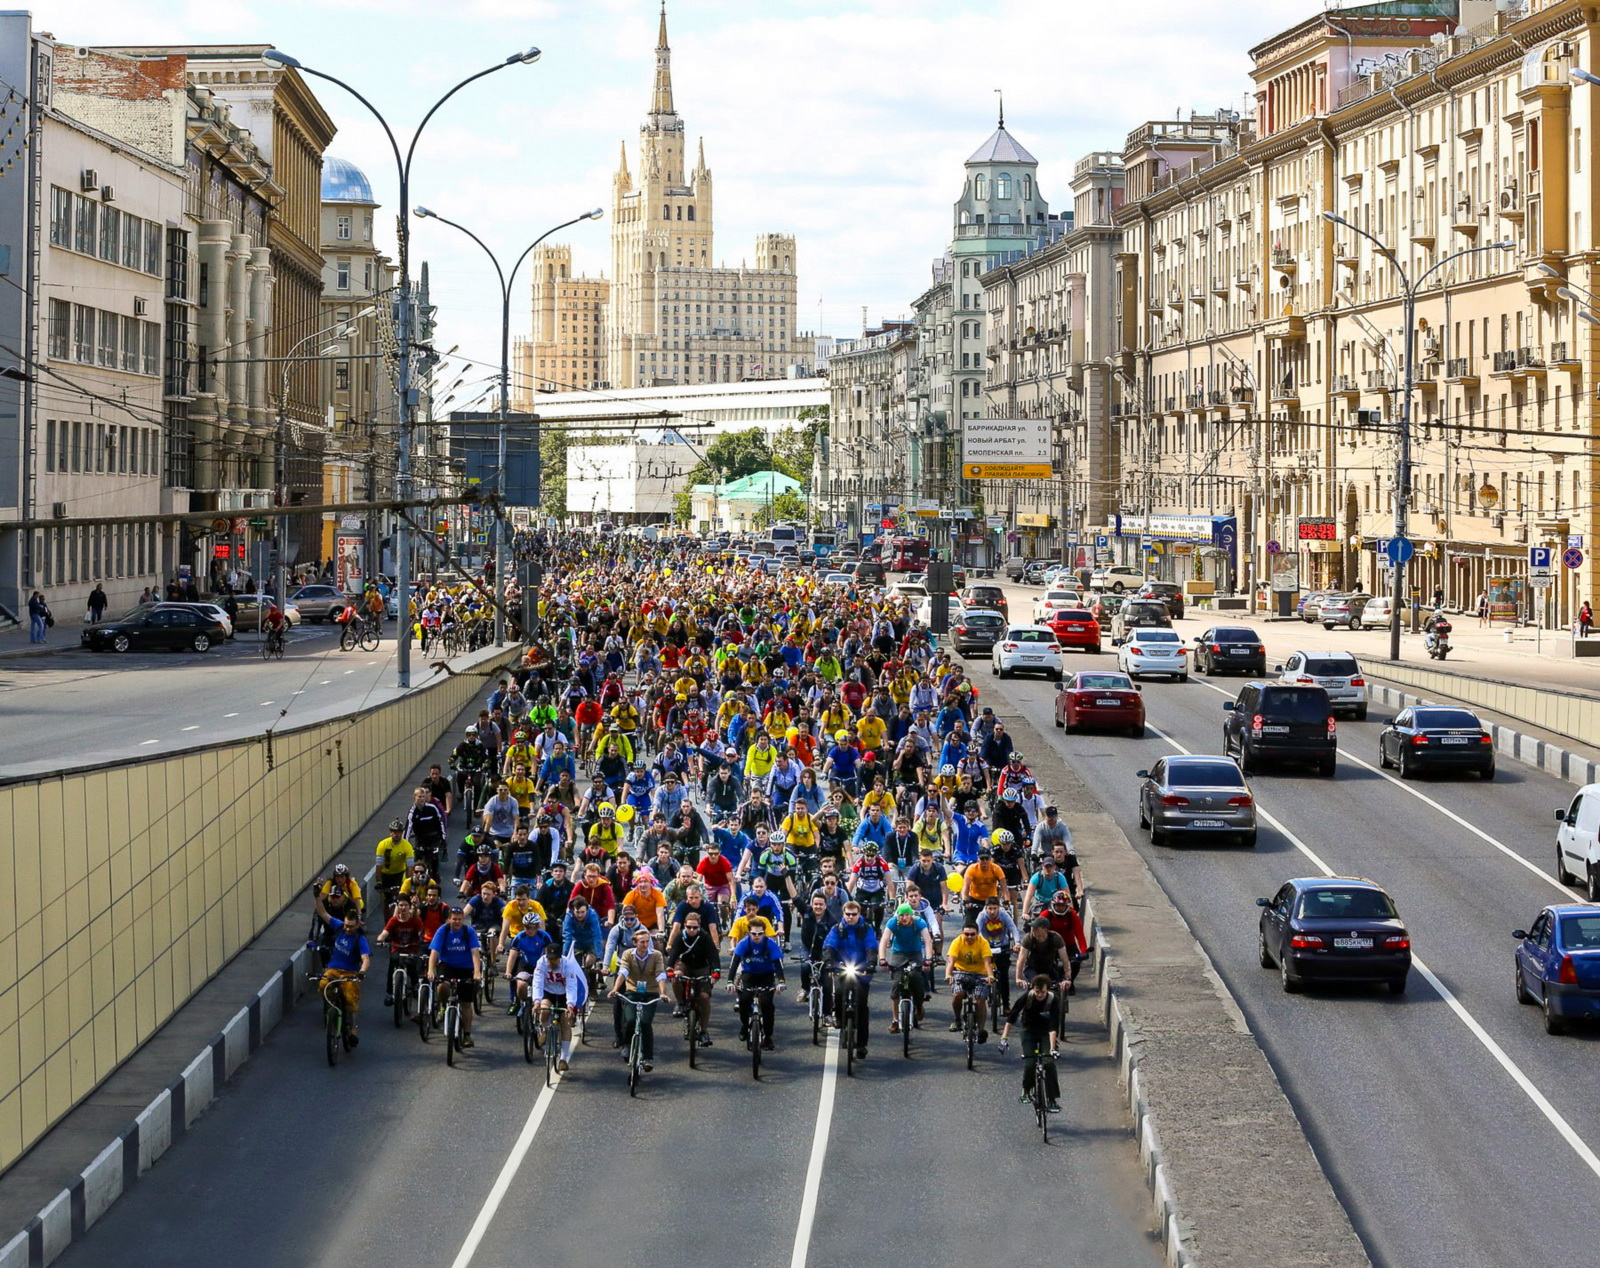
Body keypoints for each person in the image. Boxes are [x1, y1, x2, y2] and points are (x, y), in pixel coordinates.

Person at [999, 974, 1063, 1113]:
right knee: (1030, 1063)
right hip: (1028, 1031)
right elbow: (1012, 1016)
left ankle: (1052, 1100)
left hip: (1045, 1033)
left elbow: (1053, 1026)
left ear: (1048, 990)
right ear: (1033, 989)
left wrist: (1052, 1049)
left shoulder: (1053, 1000)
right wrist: (1004, 1037)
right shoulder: (1027, 997)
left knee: (1049, 1063)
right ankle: (1026, 1090)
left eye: (1043, 992)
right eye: (1037, 992)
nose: (1040, 995)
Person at [314, 895, 371, 1045]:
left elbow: (365, 959)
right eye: (346, 925)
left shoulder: (360, 939)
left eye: (351, 926)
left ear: (357, 925)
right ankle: (332, 1006)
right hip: (333, 970)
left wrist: (362, 972)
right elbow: (323, 913)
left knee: (351, 999)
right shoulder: (339, 927)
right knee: (323, 985)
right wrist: (317, 898)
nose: (347, 928)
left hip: (350, 974)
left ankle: (352, 1030)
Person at [823, 901, 876, 1059]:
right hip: (842, 968)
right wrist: (829, 962)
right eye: (848, 914)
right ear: (843, 914)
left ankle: (861, 1045)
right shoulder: (837, 929)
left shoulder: (866, 929)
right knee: (839, 992)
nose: (851, 917)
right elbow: (829, 947)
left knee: (862, 1007)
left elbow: (871, 947)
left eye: (854, 914)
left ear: (859, 914)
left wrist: (871, 963)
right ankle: (839, 1017)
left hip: (861, 970)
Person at [610, 924, 667, 1071]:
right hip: (633, 992)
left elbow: (660, 974)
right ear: (635, 942)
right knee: (629, 1020)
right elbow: (623, 972)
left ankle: (648, 1057)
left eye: (647, 941)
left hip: (650, 993)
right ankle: (627, 1045)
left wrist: (663, 993)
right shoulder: (628, 954)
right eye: (642, 942)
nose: (645, 944)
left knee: (645, 1022)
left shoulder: (656, 955)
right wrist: (615, 990)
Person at [426, 906, 484, 1047]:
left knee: (465, 1003)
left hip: (466, 967)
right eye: (454, 919)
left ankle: (467, 1035)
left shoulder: (468, 931)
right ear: (449, 919)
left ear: (463, 919)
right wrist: (431, 970)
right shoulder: (443, 930)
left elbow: (475, 952)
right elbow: (434, 952)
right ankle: (443, 1007)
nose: (457, 922)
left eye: (459, 919)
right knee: (442, 987)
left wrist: (477, 972)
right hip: (448, 965)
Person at [726, 919, 785, 1049]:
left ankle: (768, 1036)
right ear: (749, 933)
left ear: (764, 933)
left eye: (760, 934)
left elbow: (777, 963)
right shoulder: (743, 944)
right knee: (744, 1000)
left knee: (766, 1003)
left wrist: (781, 981)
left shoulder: (770, 943)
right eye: (754, 934)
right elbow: (734, 963)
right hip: (749, 974)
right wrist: (730, 981)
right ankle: (744, 1025)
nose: (757, 936)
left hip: (766, 975)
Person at [533, 939, 590, 1072]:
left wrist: (570, 1005)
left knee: (565, 1021)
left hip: (563, 993)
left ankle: (563, 1058)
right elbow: (538, 982)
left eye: (554, 959)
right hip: (548, 992)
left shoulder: (567, 965)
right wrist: (536, 1001)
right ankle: (546, 1030)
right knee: (545, 1010)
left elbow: (571, 986)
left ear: (559, 957)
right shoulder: (541, 962)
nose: (552, 962)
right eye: (550, 959)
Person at [667, 908, 721, 1044]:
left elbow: (713, 955)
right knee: (677, 975)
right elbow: (674, 954)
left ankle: (704, 1031)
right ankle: (680, 1003)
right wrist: (669, 968)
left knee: (704, 997)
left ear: (699, 926)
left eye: (694, 927)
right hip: (685, 965)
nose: (691, 930)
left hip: (702, 968)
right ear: (684, 925)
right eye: (688, 927)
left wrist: (716, 971)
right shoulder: (680, 937)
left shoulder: (704, 937)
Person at [878, 902, 932, 1034]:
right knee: (897, 985)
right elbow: (884, 940)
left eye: (907, 915)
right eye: (901, 915)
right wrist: (882, 959)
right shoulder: (892, 923)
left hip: (915, 954)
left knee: (916, 978)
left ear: (911, 915)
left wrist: (928, 960)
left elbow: (927, 941)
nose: (904, 918)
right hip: (899, 954)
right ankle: (895, 1020)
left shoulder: (919, 922)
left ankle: (919, 1006)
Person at [945, 919, 995, 1040]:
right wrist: (948, 974)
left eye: (972, 934)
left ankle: (981, 1030)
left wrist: (990, 976)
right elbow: (951, 961)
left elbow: (987, 963)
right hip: (961, 972)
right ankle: (957, 1019)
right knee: (958, 994)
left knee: (980, 1000)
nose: (969, 937)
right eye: (966, 934)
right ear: (962, 934)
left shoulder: (983, 943)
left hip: (980, 973)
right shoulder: (957, 942)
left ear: (977, 933)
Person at [374, 896, 427, 1007]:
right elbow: (384, 933)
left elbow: (421, 934)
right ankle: (390, 992)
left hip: (411, 948)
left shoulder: (415, 920)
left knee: (411, 964)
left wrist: (421, 940)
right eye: (401, 905)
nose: (403, 908)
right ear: (397, 907)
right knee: (393, 962)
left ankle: (415, 985)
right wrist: (380, 940)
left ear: (410, 906)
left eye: (405, 905)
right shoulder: (394, 920)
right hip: (397, 948)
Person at [374, 820, 414, 908]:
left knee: (402, 897)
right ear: (390, 833)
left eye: (399, 832)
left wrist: (409, 882)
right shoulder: (382, 844)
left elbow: (410, 867)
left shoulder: (407, 846)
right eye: (394, 832)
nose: (396, 834)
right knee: (387, 901)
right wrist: (379, 882)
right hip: (385, 874)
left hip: (399, 874)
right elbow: (379, 865)